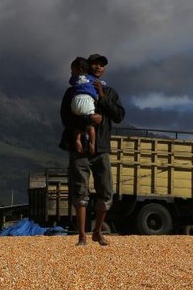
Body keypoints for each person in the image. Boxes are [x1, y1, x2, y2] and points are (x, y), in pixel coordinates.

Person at [59, 53, 126, 246]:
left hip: (101, 148)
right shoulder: (73, 90)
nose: (98, 67)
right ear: (88, 68)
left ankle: (97, 231)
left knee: (105, 191)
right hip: (78, 149)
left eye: (101, 65)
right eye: (94, 64)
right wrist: (88, 120)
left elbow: (119, 115)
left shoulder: (110, 92)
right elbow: (65, 118)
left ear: (104, 69)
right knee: (80, 191)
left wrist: (102, 97)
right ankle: (81, 236)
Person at [68, 56, 98, 155]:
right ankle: (93, 143)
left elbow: (71, 82)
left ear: (79, 70)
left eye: (72, 70)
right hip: (87, 102)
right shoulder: (92, 79)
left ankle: (78, 139)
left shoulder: (74, 79)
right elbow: (101, 84)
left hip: (76, 102)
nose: (71, 73)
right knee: (91, 127)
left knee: (77, 126)